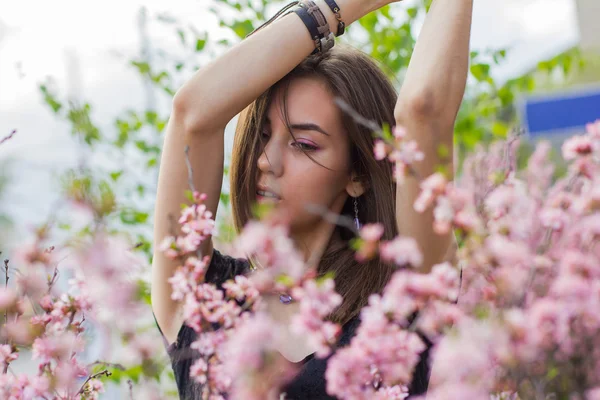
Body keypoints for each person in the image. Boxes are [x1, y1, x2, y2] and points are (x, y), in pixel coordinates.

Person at [151, 0, 473, 398]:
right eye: (263, 136)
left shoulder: (402, 293)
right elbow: (192, 113)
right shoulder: (203, 295)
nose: (266, 161)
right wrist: (342, 8)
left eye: (304, 144)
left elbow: (424, 110)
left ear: (357, 175)